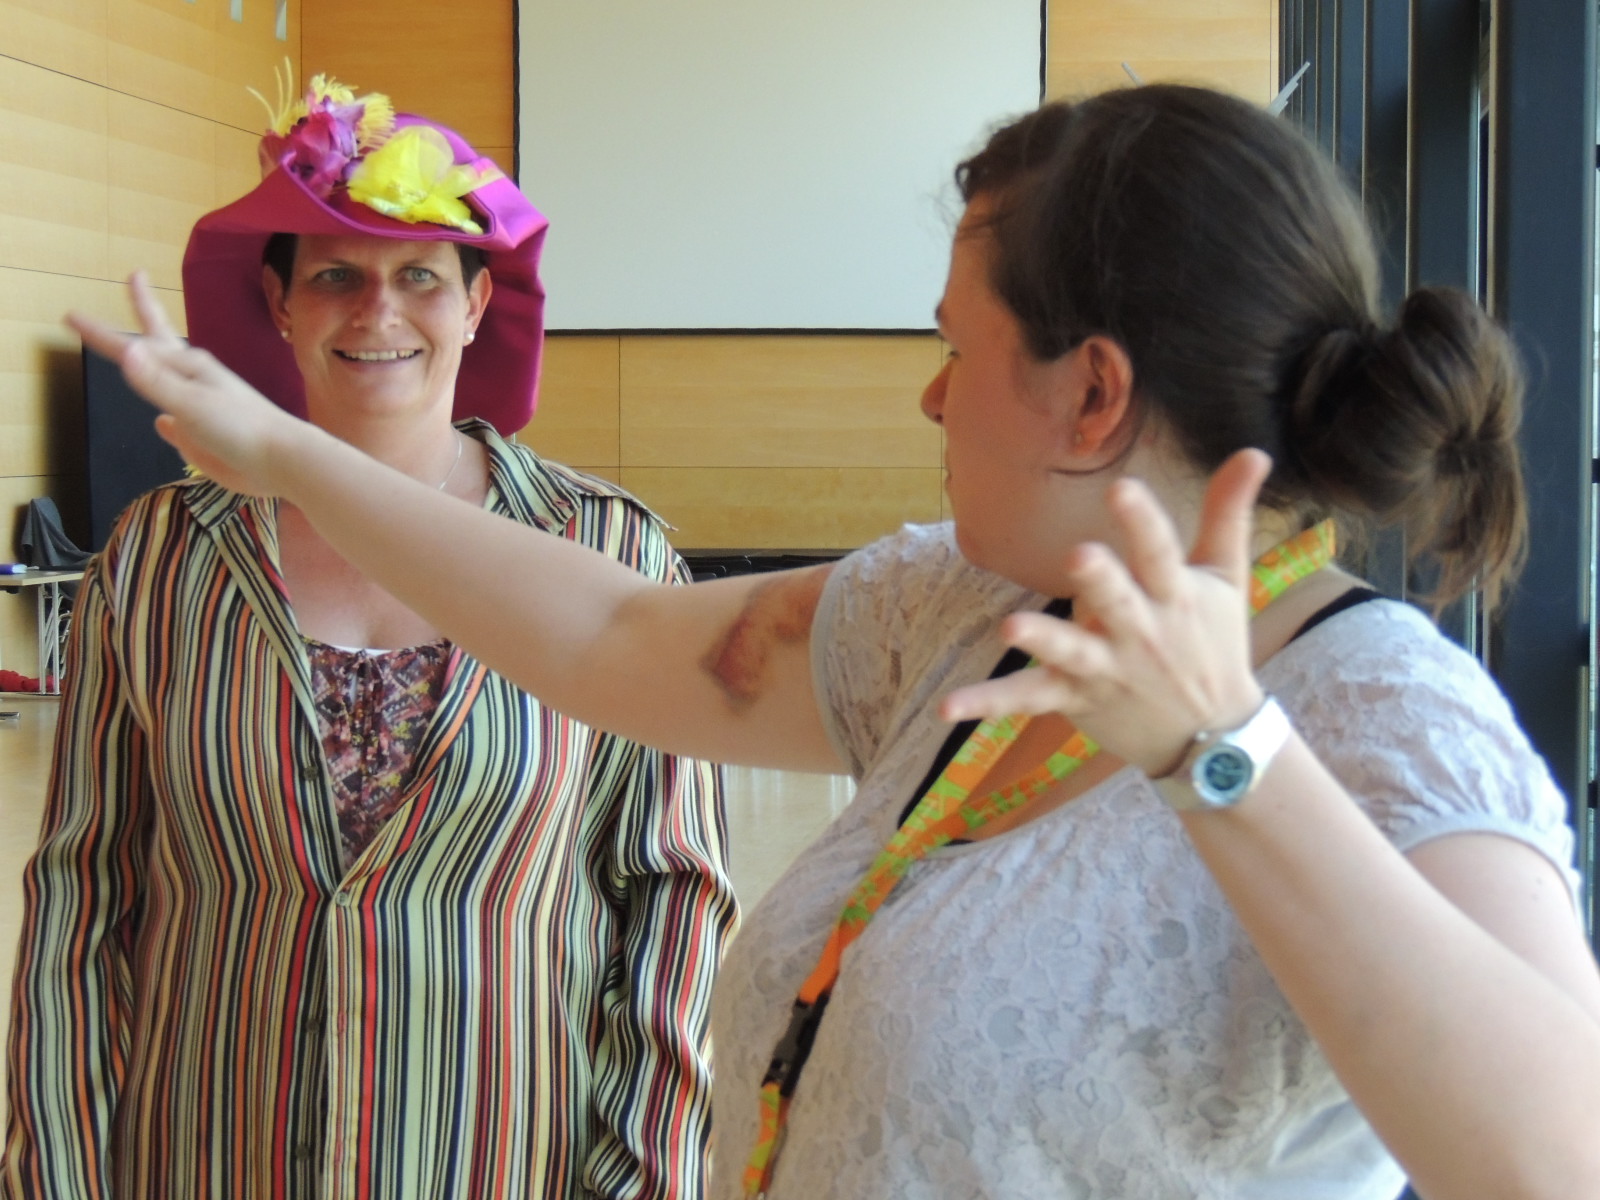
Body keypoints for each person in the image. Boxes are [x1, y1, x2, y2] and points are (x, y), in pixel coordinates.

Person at [72, 84, 1600, 1200]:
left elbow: (1552, 1159)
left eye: (955, 346)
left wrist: (1227, 757)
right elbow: (611, 630)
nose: (930, 398)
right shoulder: (953, 611)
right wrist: (286, 458)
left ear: (1091, 396)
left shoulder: (1377, 706)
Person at [5, 74, 735, 1199]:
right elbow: (83, 895)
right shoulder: (160, 557)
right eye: (335, 276)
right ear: (280, 302)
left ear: (478, 303)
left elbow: (673, 898)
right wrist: (57, 1169)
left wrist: (649, 1178)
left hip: (502, 1154)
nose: (376, 313)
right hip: (206, 1155)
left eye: (419, 278)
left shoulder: (608, 551)